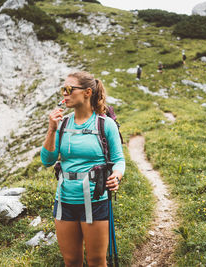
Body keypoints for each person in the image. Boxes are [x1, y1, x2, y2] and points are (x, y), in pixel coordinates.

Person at [41, 71, 125, 267]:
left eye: (69, 89)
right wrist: (51, 129)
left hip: (95, 200)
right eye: (63, 89)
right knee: (71, 261)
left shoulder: (106, 125)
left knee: (96, 261)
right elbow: (47, 160)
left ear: (87, 92)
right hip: (64, 200)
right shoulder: (63, 125)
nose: (65, 94)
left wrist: (116, 176)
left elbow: (119, 159)